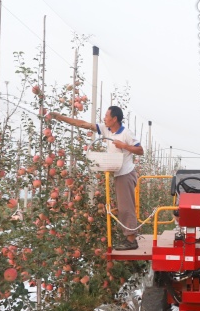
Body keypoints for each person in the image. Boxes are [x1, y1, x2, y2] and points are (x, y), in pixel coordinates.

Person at [48, 106, 144, 250]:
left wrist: (124, 145)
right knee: (122, 207)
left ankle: (131, 240)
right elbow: (83, 124)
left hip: (125, 174)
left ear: (114, 119)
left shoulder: (126, 134)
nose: (104, 118)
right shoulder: (106, 129)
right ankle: (128, 236)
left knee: (126, 207)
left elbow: (140, 150)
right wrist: (60, 117)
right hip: (119, 173)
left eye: (106, 116)